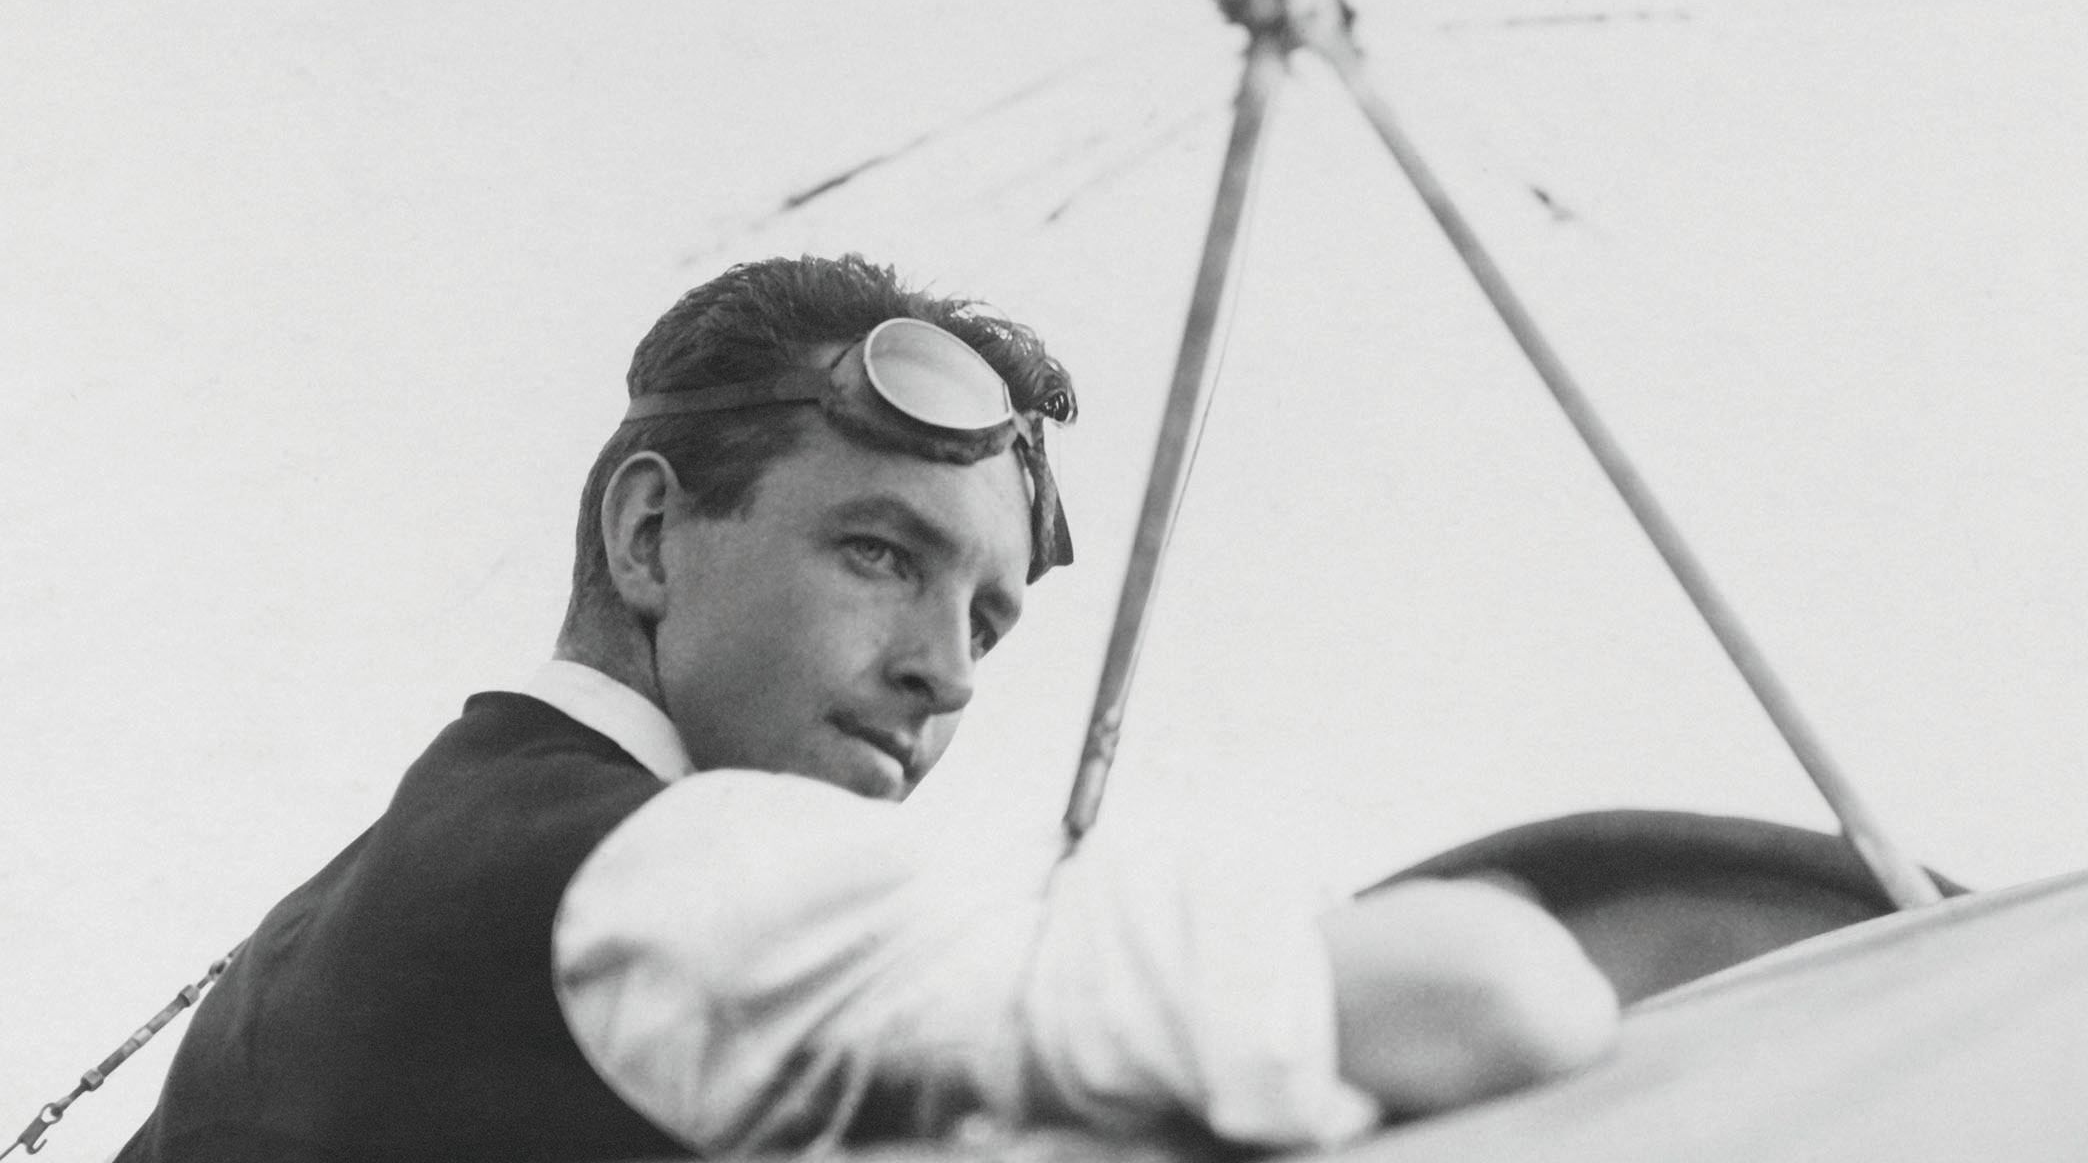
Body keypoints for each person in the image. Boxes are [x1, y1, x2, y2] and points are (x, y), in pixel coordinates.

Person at [116, 254, 1618, 1163]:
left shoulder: (372, 905)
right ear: (650, 538)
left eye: (986, 620)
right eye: (881, 556)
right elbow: (1497, 996)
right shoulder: (665, 878)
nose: (946, 673)